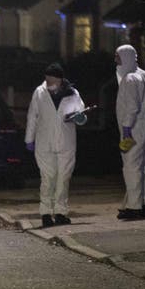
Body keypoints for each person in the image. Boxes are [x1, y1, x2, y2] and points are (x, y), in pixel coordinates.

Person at [25, 63, 86, 227]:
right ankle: (45, 213)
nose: (48, 82)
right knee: (48, 178)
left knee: (63, 178)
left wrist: (79, 118)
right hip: (44, 143)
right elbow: (33, 116)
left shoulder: (72, 93)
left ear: (60, 79)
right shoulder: (39, 92)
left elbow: (81, 112)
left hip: (66, 142)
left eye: (51, 79)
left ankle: (60, 213)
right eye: (46, 79)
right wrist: (29, 139)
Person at [115, 44, 145, 220]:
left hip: (135, 127)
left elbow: (132, 106)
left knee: (131, 167)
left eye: (117, 57)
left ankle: (134, 207)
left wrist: (126, 128)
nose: (115, 60)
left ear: (125, 57)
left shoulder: (130, 78)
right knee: (143, 167)